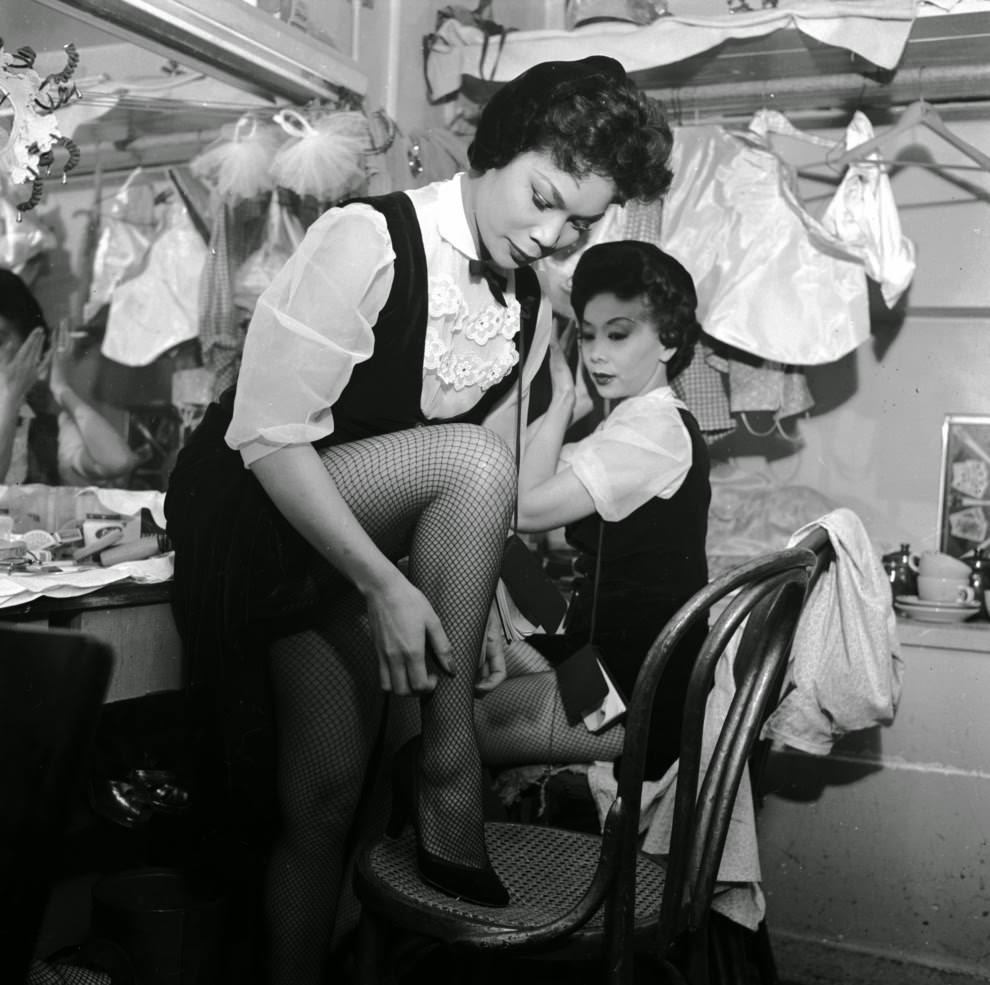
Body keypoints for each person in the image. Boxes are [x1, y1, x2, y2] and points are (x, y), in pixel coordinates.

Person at [164, 57, 673, 985]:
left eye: (580, 223)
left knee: (324, 801)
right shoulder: (368, 238)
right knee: (476, 459)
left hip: (346, 534)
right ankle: (451, 769)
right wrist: (388, 584)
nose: (553, 235)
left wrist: (465, 599)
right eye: (544, 198)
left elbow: (473, 495)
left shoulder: (519, 301)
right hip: (254, 509)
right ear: (495, 151)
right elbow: (271, 440)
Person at [474, 240, 711, 782]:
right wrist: (572, 402)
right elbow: (521, 478)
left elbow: (526, 508)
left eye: (618, 334)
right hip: (610, 662)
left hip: (631, 692)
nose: (597, 353)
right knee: (458, 669)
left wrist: (562, 401)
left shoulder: (651, 433)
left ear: (669, 341)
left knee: (451, 721)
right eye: (587, 334)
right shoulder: (636, 423)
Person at [0, 269, 140, 487]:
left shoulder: (46, 429)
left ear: (29, 343)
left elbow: (118, 462)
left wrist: (60, 388)